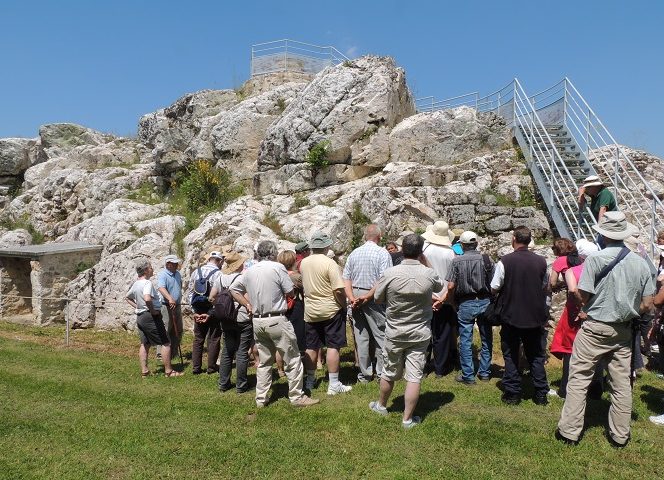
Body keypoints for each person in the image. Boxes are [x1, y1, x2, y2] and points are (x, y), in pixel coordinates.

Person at [557, 212, 654, 446]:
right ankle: (619, 435)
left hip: (594, 327)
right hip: (622, 329)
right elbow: (648, 303)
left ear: (603, 234)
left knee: (579, 378)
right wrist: (630, 311)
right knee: (621, 384)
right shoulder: (640, 263)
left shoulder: (595, 260)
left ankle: (570, 431)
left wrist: (583, 304)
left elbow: (583, 294)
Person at [230, 240, 319, 408]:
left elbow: (234, 289)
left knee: (264, 362)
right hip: (276, 318)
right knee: (292, 359)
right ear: (273, 253)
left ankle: (261, 399)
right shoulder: (277, 268)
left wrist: (247, 304)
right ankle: (297, 396)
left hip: (257, 320)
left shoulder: (249, 271)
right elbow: (290, 291)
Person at [369, 234, 443, 428]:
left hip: (395, 329)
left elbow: (377, 298)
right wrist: (425, 262)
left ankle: (382, 405)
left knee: (389, 370)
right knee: (414, 376)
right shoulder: (428, 273)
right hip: (420, 330)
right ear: (421, 252)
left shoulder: (390, 273)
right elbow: (439, 286)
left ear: (402, 249)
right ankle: (407, 419)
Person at [491, 226, 550, 405]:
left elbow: (494, 287)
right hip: (535, 315)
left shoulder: (505, 261)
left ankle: (513, 392)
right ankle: (540, 393)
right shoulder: (541, 261)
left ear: (514, 238)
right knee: (536, 355)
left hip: (511, 315)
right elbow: (545, 285)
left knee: (510, 354)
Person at [300, 232, 352, 395]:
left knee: (311, 346)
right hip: (330, 309)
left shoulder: (303, 263)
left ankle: (309, 380)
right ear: (326, 246)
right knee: (333, 346)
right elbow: (338, 289)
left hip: (310, 310)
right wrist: (344, 305)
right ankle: (334, 383)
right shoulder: (330, 263)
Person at [549, 239, 600, 398]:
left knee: (569, 350)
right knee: (595, 350)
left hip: (574, 311)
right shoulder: (602, 270)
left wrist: (580, 305)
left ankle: (565, 388)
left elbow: (555, 283)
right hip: (596, 313)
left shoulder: (570, 267)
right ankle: (596, 389)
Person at [343, 224, 393, 383]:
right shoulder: (382, 253)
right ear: (379, 237)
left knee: (361, 336)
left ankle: (365, 374)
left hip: (356, 293)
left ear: (365, 236)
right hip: (373, 295)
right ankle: (380, 373)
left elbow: (346, 278)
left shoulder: (354, 253)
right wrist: (368, 296)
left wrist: (351, 297)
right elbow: (384, 279)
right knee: (380, 334)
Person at [446, 231, 493, 384]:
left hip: (465, 302)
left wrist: (452, 302)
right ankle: (485, 372)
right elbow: (494, 284)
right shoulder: (486, 259)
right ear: (476, 243)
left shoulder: (456, 261)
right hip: (485, 301)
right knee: (487, 338)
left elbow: (451, 285)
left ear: (462, 245)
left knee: (465, 340)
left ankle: (468, 375)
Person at [126, 259, 183, 377]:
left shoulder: (136, 283)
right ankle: (169, 371)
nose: (153, 269)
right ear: (146, 270)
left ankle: (145, 371)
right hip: (150, 316)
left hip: (141, 316)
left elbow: (127, 297)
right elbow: (147, 298)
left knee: (145, 343)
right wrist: (152, 310)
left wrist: (138, 306)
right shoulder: (147, 283)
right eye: (151, 267)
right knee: (166, 342)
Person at [210, 250, 253, 394]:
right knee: (241, 352)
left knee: (227, 351)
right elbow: (247, 297)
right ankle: (241, 385)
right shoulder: (243, 278)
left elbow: (211, 297)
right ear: (239, 265)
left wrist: (222, 305)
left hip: (226, 318)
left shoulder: (220, 278)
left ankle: (223, 383)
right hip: (242, 317)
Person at [421, 220, 457, 378]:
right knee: (442, 334)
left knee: (424, 332)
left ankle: (422, 367)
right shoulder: (451, 253)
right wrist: (443, 299)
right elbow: (452, 281)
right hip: (445, 298)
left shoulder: (424, 249)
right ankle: (440, 369)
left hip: (426, 296)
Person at [188, 251, 223, 375]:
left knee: (198, 338)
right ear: (218, 261)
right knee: (214, 338)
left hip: (198, 308)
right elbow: (219, 295)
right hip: (211, 309)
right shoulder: (218, 274)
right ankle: (211, 367)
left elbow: (190, 292)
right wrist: (212, 311)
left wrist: (194, 311)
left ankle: (196, 367)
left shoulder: (196, 272)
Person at [155, 254, 183, 362]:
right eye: (174, 263)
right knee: (165, 329)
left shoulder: (178, 274)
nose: (176, 265)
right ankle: (160, 354)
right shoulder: (163, 275)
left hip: (177, 305)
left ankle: (173, 352)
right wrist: (170, 298)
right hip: (166, 306)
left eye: (176, 263)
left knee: (177, 330)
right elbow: (161, 288)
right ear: (168, 264)